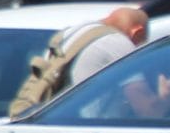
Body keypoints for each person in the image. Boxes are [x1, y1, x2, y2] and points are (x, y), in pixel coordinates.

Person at [8, 7, 150, 115]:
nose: (136, 47)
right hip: (96, 129)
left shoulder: (68, 35)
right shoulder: (118, 42)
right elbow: (143, 103)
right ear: (136, 32)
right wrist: (163, 100)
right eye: (140, 43)